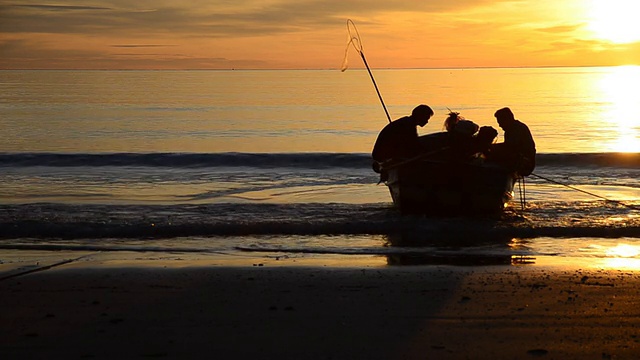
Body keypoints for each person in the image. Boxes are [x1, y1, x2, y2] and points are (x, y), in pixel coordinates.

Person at [489, 107, 536, 176]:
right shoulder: (511, 129)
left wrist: (492, 147)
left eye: (500, 122)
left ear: (507, 119)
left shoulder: (516, 129)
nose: (499, 125)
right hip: (521, 160)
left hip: (525, 163)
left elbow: (510, 147)